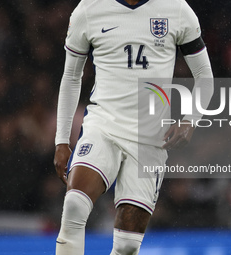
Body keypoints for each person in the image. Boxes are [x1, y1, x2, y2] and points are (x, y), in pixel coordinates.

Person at [53, 0, 214, 254]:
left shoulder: (177, 9)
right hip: (103, 127)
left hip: (150, 139)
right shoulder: (89, 8)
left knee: (127, 245)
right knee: (74, 203)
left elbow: (204, 75)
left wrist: (190, 120)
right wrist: (61, 140)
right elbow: (71, 77)